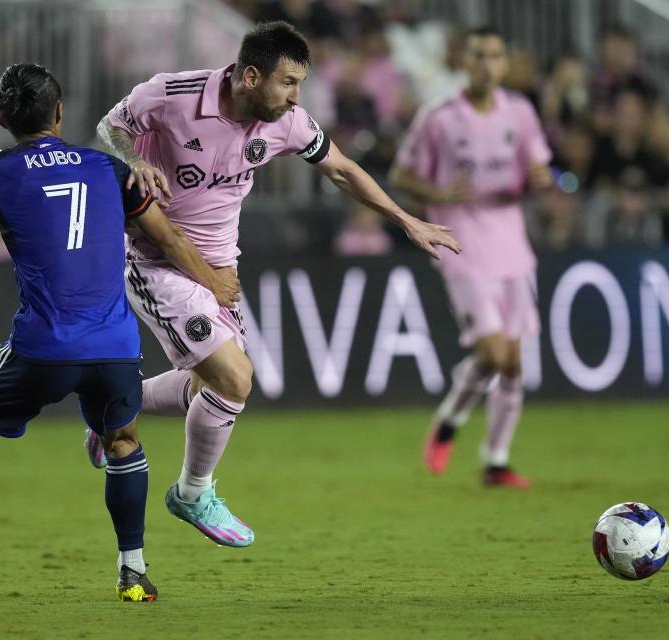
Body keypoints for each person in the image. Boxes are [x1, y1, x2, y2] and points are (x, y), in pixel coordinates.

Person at [0, 63, 240, 606]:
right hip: (115, 348)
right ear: (61, 112)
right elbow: (167, 238)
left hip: (43, 346)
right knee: (123, 443)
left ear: (2, 118)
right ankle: (133, 573)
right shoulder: (112, 171)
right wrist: (214, 280)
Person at [89, 20, 460, 547]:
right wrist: (135, 160)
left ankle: (111, 408)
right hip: (158, 261)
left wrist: (406, 219)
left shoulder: (288, 123)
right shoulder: (173, 95)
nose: (295, 97)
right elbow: (109, 126)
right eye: (287, 83)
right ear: (250, 76)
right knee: (236, 379)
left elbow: (342, 170)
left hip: (223, 269)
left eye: (300, 84)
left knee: (209, 389)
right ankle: (193, 493)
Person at [389, 26, 553, 488]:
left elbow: (536, 168)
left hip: (512, 247)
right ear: (466, 63)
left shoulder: (519, 113)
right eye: (479, 55)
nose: (487, 64)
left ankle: (496, 460)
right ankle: (449, 420)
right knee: (494, 353)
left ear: (504, 63)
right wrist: (440, 192)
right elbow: (402, 173)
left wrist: (539, 179)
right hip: (460, 244)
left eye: (496, 55)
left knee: (513, 363)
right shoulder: (439, 117)